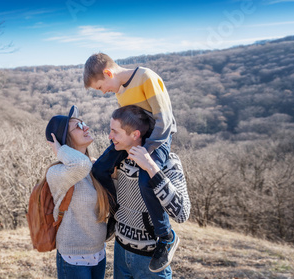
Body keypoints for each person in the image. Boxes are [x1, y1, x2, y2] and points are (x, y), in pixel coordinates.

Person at [84, 53, 178, 272]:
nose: (103, 92)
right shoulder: (121, 90)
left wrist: (144, 154)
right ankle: (117, 216)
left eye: (100, 87)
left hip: (158, 138)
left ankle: (165, 237)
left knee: (146, 179)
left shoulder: (146, 77)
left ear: (108, 73)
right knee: (99, 170)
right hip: (133, 137)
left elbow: (164, 122)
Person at [107, 105, 190, 278]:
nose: (110, 136)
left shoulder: (169, 163)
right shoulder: (120, 157)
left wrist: (152, 169)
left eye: (115, 131)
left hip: (151, 260)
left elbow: (182, 214)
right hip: (120, 252)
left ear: (135, 134)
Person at [44, 105, 110, 279]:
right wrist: (59, 150)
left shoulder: (94, 168)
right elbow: (80, 165)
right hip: (73, 259)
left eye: (84, 123)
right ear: (65, 139)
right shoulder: (56, 173)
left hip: (99, 253)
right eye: (78, 126)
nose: (86, 127)